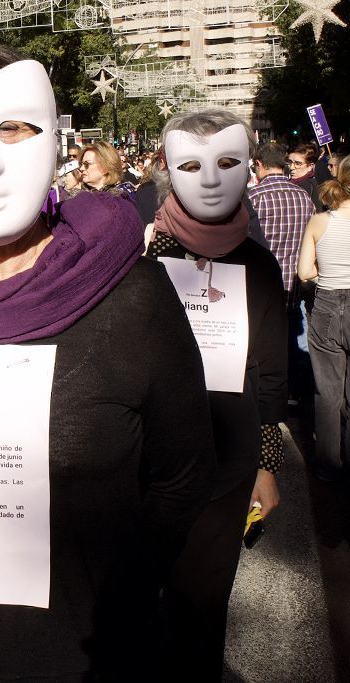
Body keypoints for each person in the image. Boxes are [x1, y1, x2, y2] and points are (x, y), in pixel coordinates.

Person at [0, 42, 214, 681]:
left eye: (14, 128)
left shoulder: (131, 299)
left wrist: (120, 597)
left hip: (83, 659)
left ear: (53, 139)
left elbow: (184, 472)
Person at [146, 109, 286, 679]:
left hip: (226, 459)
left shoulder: (258, 264)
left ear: (249, 168)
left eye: (226, 162)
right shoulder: (143, 256)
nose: (208, 180)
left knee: (203, 607)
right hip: (147, 458)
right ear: (166, 169)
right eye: (190, 164)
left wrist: (268, 465)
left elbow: (272, 373)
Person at [250, 142, 316, 404]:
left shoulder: (254, 198)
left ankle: (270, 395)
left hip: (263, 287)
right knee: (296, 341)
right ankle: (297, 392)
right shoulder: (304, 197)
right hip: (295, 285)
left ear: (259, 165)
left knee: (265, 346)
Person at [298, 156, 350, 480]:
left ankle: (330, 466)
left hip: (328, 304)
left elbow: (304, 272)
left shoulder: (320, 221)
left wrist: (324, 275)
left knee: (328, 391)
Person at [288, 142, 323, 211]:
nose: (291, 167)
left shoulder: (307, 186)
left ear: (310, 166)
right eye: (289, 162)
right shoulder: (292, 182)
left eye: (298, 164)